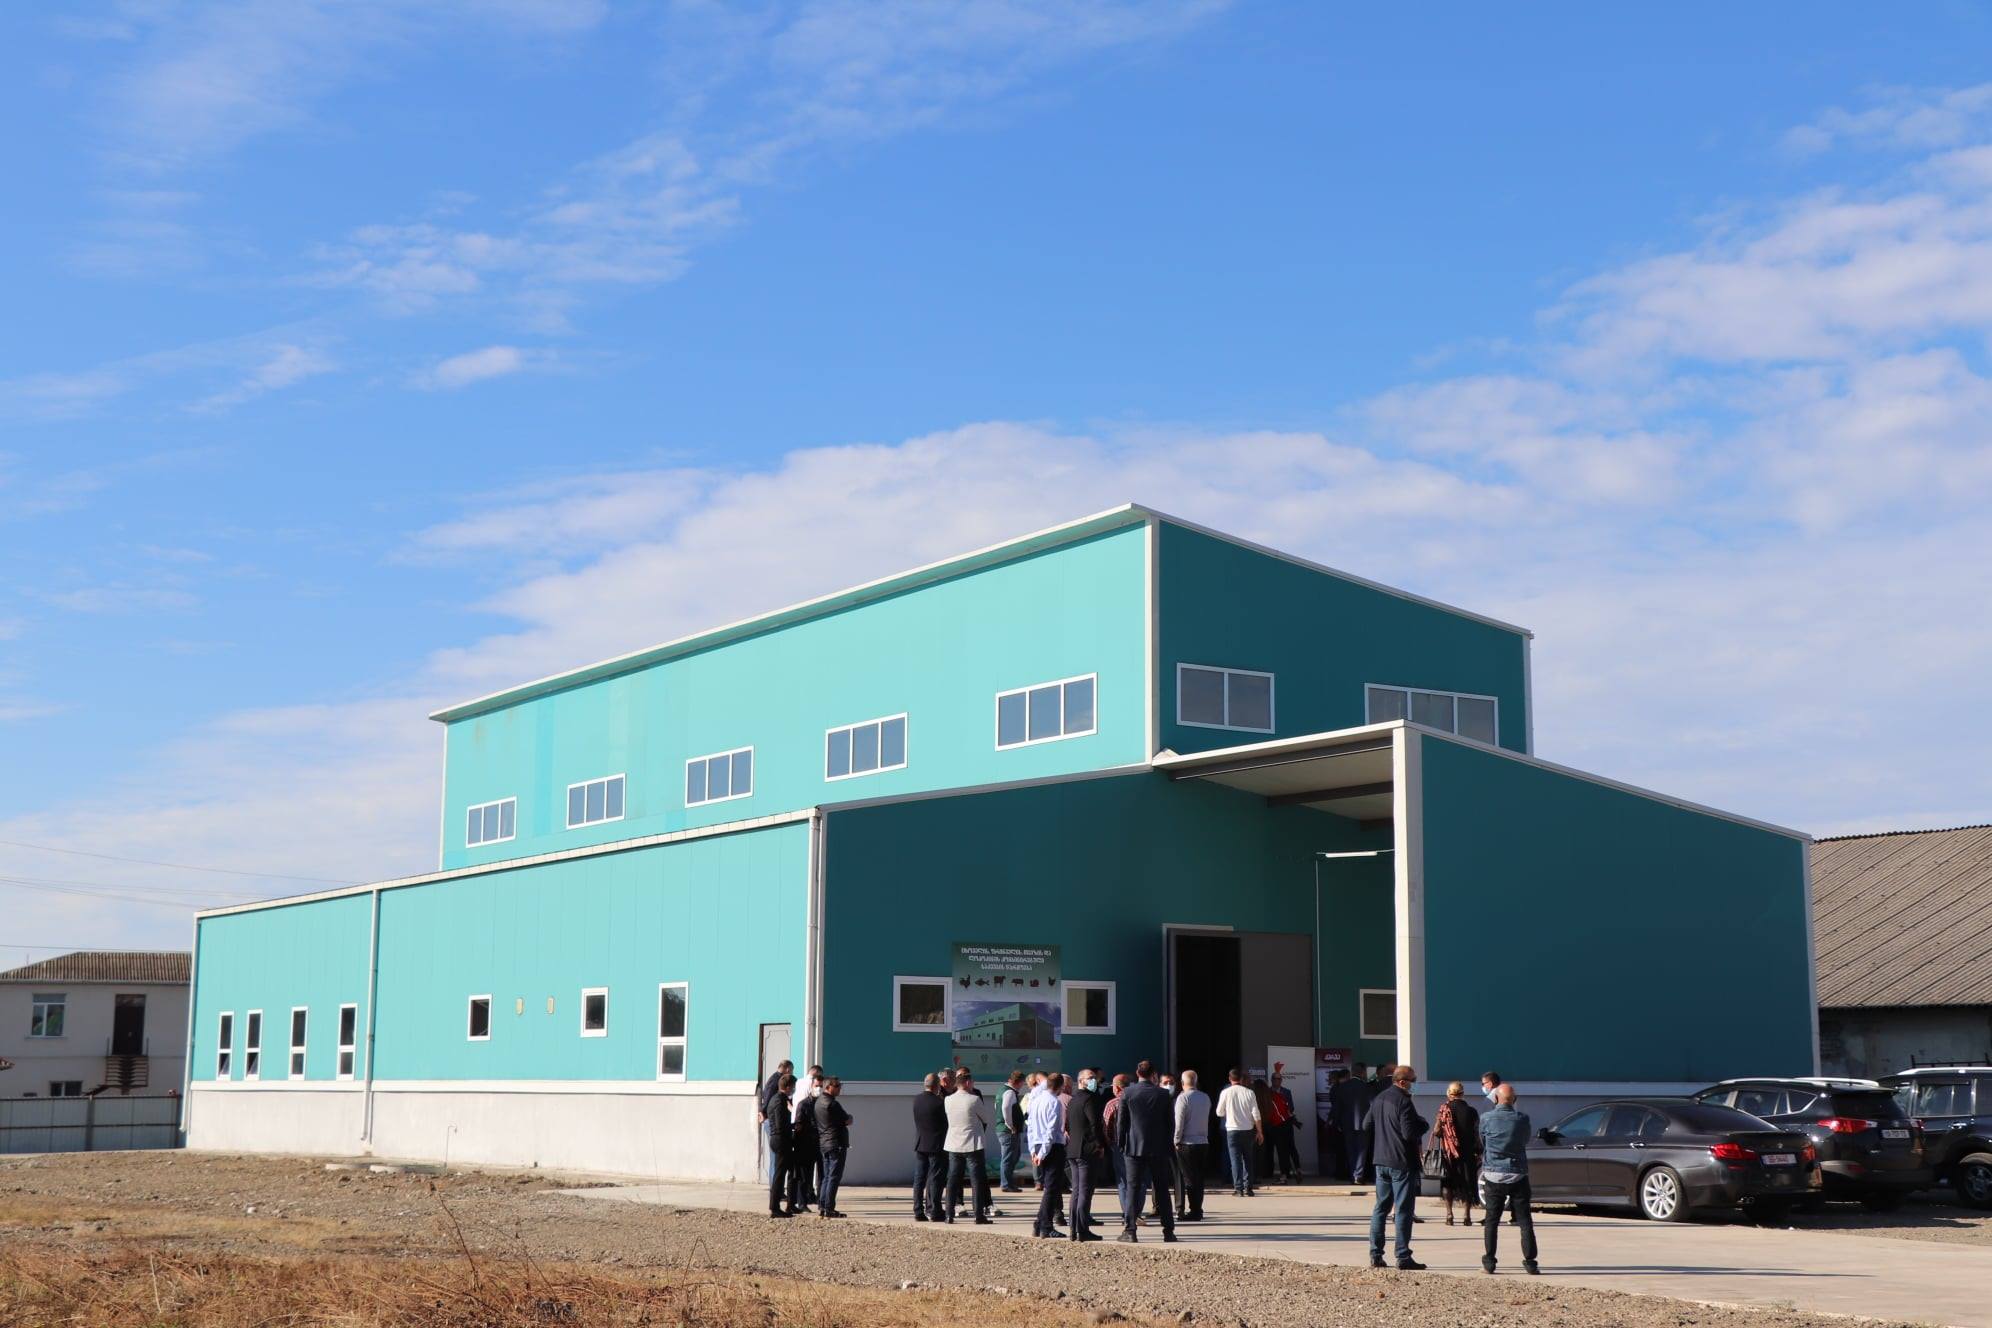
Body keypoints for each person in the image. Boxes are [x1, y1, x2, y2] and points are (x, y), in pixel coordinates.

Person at [1363, 1064, 1429, 1271]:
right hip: (1401, 1161)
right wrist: (1423, 1124)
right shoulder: (1404, 1101)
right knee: (1403, 1210)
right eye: (1413, 1080)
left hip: (1381, 1160)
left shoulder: (1379, 1098)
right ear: (1402, 1082)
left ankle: (1375, 1254)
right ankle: (1403, 1255)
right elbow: (1409, 1133)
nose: (1415, 1084)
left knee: (1380, 1208)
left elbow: (1366, 1125)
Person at [1479, 1082, 1540, 1275]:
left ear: (1496, 1098)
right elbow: (1525, 1140)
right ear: (1514, 1100)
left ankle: (1489, 1261)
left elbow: (1483, 1141)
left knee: (1492, 1220)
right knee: (1525, 1220)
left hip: (1493, 1174)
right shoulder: (1522, 1119)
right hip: (1517, 1173)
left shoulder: (1486, 1118)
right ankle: (1530, 1262)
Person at [1115, 1060, 1178, 1243]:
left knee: (1132, 1189)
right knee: (1162, 1189)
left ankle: (1130, 1230)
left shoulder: (1128, 1093)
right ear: (1154, 1074)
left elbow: (1121, 1123)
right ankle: (1168, 1231)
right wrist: (1168, 1144)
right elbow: (1170, 1123)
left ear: (1137, 1073)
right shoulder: (1163, 1094)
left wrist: (1121, 1144)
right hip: (1159, 1148)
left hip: (1134, 1147)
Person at [944, 1067, 994, 1224]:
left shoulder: (948, 1100)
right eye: (972, 1082)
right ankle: (978, 1215)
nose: (973, 1084)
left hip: (954, 1144)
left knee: (953, 1180)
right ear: (967, 1083)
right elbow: (986, 1118)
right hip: (973, 1144)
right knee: (976, 1181)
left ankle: (949, 1214)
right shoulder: (974, 1099)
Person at [1065, 1066, 1107, 1241]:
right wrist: (1101, 1145)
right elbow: (1095, 1125)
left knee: (1076, 1191)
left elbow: (1067, 1126)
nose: (1094, 1081)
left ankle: (1074, 1229)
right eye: (1090, 1078)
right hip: (1086, 1150)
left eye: (1094, 1078)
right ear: (1081, 1081)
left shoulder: (1073, 1100)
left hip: (1073, 1149)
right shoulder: (1089, 1099)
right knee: (1085, 1191)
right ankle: (1082, 1230)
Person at [1027, 1071, 1068, 1238]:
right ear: (1060, 1086)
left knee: (1049, 1188)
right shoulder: (1054, 1102)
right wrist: (1043, 1152)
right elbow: (1051, 1131)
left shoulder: (1036, 1100)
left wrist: (1033, 1150)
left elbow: (1030, 1127)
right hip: (1051, 1147)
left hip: (1038, 1144)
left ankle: (1039, 1223)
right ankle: (1046, 1225)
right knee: (1052, 1188)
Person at [1436, 1081, 1480, 1227]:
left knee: (1448, 1183)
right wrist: (1478, 1152)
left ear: (1449, 1093)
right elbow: (1476, 1134)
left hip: (1449, 1153)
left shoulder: (1444, 1110)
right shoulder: (1471, 1111)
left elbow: (1436, 1132)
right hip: (1467, 1153)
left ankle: (1449, 1215)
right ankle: (1467, 1215)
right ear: (1462, 1093)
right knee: (1468, 1182)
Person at [1215, 1068, 1263, 1197]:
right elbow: (1256, 1114)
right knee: (1248, 1159)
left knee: (1235, 1160)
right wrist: (1260, 1132)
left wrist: (1229, 1112)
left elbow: (1219, 1112)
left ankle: (1238, 1188)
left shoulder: (1225, 1092)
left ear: (1229, 1079)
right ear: (1241, 1079)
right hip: (1248, 1130)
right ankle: (1249, 1188)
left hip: (1232, 1130)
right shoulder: (1250, 1093)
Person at [1172, 1068, 1210, 1221]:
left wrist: (1176, 1140)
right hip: (1203, 1141)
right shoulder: (1205, 1097)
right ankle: (1198, 1208)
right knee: (1199, 1178)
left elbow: (1179, 1123)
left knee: (1189, 1179)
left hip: (1187, 1142)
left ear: (1182, 1083)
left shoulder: (1183, 1098)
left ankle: (1194, 1211)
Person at [913, 1072, 949, 1221]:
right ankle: (935, 1210)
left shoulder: (917, 1100)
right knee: (935, 1178)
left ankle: (918, 1210)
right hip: (936, 1144)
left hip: (921, 1143)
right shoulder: (940, 1103)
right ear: (937, 1086)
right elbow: (946, 1123)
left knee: (919, 1178)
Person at [815, 1076, 852, 1218]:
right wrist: (850, 1118)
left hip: (824, 1142)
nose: (839, 1089)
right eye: (837, 1086)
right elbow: (846, 1119)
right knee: (834, 1176)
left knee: (826, 1176)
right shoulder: (832, 1104)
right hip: (835, 1143)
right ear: (828, 1087)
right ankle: (829, 1207)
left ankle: (823, 1205)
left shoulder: (819, 1102)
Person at [1331, 1065, 1375, 1183]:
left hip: (1347, 1123)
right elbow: (1373, 1105)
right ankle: (1358, 1175)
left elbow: (1337, 1107)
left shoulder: (1342, 1087)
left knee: (1350, 1150)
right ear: (1363, 1073)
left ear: (1352, 1073)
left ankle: (1353, 1175)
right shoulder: (1367, 1087)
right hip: (1364, 1123)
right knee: (1362, 1150)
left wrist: (1337, 1122)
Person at [790, 1065, 825, 1212]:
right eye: (817, 1086)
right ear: (811, 1086)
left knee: (822, 1174)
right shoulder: (804, 1104)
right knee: (805, 1175)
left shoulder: (823, 1103)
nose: (819, 1089)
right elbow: (799, 1123)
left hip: (820, 1143)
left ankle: (821, 1201)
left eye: (821, 1086)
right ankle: (802, 1202)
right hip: (806, 1143)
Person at [759, 1058, 794, 1184]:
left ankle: (775, 1187)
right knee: (776, 1158)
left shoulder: (774, 1078)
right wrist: (762, 1112)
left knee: (776, 1159)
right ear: (788, 1069)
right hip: (772, 1121)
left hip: (770, 1120)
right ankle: (775, 1188)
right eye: (791, 1070)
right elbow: (768, 1097)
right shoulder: (776, 1080)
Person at [767, 1072, 797, 1217]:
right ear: (788, 1086)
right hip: (780, 1140)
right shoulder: (779, 1100)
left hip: (780, 1139)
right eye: (793, 1086)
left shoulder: (778, 1098)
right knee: (779, 1174)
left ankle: (791, 1204)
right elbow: (780, 1124)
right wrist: (793, 1126)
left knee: (792, 1171)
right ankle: (774, 1207)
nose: (794, 1089)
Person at [998, 1070, 1027, 1193]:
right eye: (1022, 1083)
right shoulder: (1010, 1092)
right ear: (1019, 1082)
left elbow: (997, 1107)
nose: (1022, 1085)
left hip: (1004, 1130)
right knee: (1009, 1158)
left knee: (1012, 1157)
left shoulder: (1002, 1090)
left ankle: (1007, 1182)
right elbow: (1005, 1107)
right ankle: (1006, 1184)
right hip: (1008, 1131)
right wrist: (1010, 1125)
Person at [1269, 1071, 1301, 1182]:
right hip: (1275, 1125)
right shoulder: (1268, 1092)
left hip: (1286, 1123)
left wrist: (1283, 1111)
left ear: (1281, 1080)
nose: (1277, 1081)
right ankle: (1285, 1173)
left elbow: (1291, 1107)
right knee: (1280, 1149)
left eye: (1279, 1079)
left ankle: (1298, 1169)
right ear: (1271, 1080)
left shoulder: (1286, 1092)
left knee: (1291, 1147)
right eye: (1275, 1079)